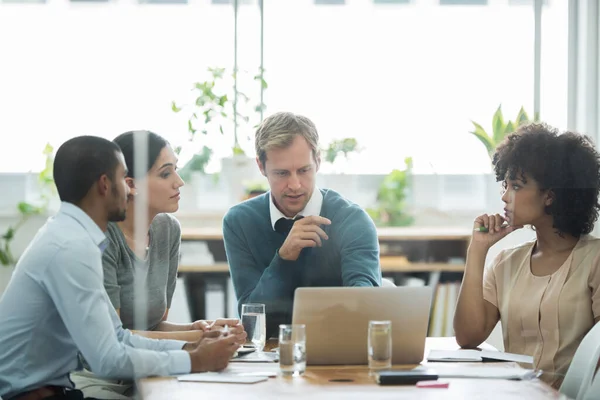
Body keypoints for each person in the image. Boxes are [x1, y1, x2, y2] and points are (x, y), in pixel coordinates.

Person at [0, 136, 245, 400]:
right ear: (105, 185)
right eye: (123, 179)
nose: (128, 189)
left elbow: (118, 336)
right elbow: (107, 358)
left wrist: (190, 346)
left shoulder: (76, 236)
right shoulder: (71, 247)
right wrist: (195, 360)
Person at [71, 131, 242, 399]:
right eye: (166, 173)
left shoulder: (168, 230)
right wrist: (195, 343)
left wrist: (200, 329)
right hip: (96, 378)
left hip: (148, 373)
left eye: (176, 170)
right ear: (130, 184)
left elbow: (152, 327)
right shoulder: (100, 237)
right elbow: (116, 339)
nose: (180, 182)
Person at [454, 123, 600, 388]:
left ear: (550, 195)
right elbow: (468, 337)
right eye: (505, 185)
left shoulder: (595, 260)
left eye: (517, 186)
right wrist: (477, 249)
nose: (505, 197)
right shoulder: (506, 263)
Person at [223, 112, 382, 337]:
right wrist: (284, 257)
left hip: (340, 347)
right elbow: (253, 322)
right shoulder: (239, 222)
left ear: (318, 160)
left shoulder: (352, 220)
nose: (295, 185)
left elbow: (366, 304)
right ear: (261, 166)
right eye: (282, 173)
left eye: (304, 170)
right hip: (269, 355)